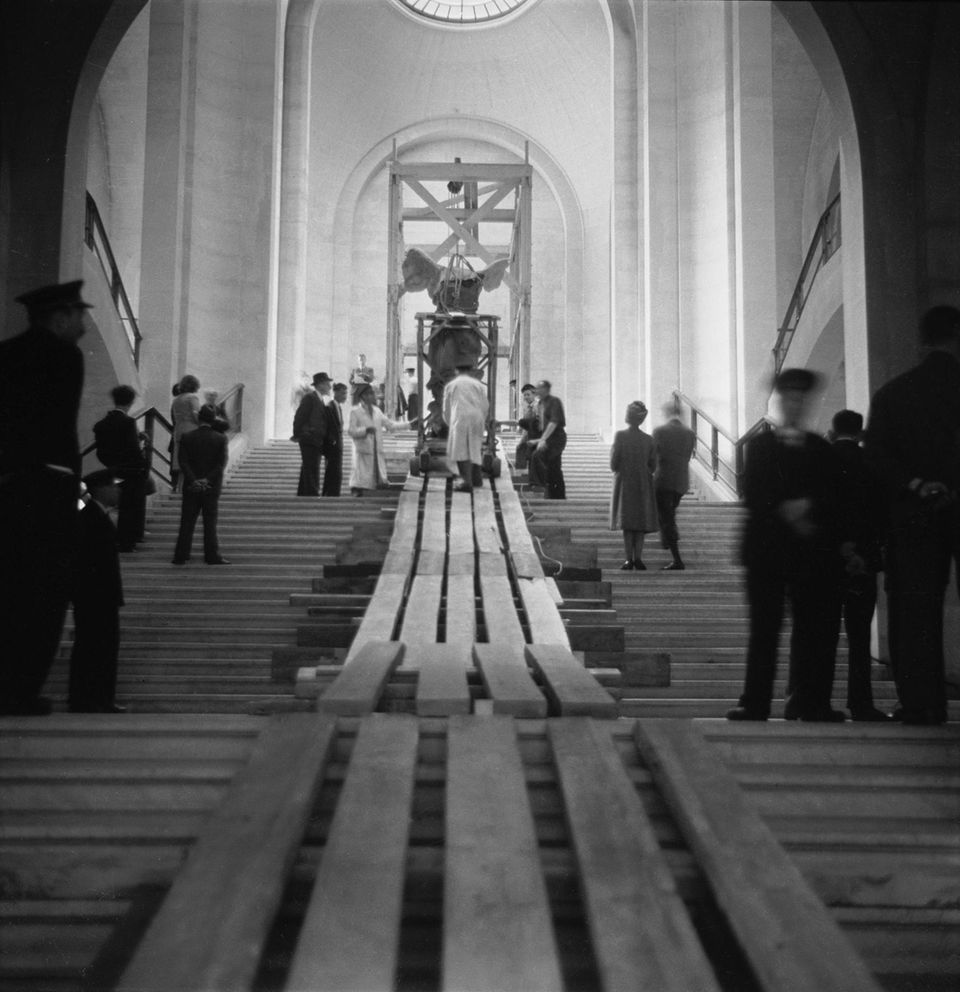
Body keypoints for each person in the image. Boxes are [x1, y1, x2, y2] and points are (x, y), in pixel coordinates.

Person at [727, 367, 845, 723]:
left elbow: (835, 497)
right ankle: (755, 703)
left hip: (810, 554)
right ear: (780, 402)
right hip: (767, 551)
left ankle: (810, 703)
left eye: (799, 399)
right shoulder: (759, 446)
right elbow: (753, 494)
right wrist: (794, 510)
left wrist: (806, 506)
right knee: (765, 629)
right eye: (788, 399)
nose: (794, 405)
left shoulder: (822, 449)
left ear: (806, 403)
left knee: (814, 631)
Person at [864, 305, 960, 726]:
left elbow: (877, 459)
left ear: (921, 341)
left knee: (915, 612)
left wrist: (919, 485)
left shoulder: (893, 393)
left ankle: (922, 704)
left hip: (913, 514)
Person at [0, 280, 90, 716]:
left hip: (8, 485)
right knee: (44, 591)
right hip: (49, 487)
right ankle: (21, 690)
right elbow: (61, 427)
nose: (84, 329)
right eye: (79, 317)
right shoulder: (63, 356)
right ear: (59, 318)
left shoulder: (5, 354)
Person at [828, 409, 890, 721]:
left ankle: (813, 699)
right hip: (863, 562)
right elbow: (881, 513)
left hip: (828, 560)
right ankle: (861, 702)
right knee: (859, 635)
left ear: (832, 430)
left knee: (822, 633)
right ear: (861, 432)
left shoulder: (823, 460)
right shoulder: (872, 463)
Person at [70, 470, 125, 713]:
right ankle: (92, 698)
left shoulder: (95, 515)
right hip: (95, 596)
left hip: (99, 595)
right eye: (114, 486)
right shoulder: (91, 517)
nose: (119, 490)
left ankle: (96, 698)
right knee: (96, 647)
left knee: (97, 647)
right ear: (102, 489)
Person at [172, 404, 230, 565]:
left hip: (191, 486)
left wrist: (193, 480)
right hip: (211, 487)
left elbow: (183, 462)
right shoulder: (220, 438)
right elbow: (220, 464)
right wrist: (207, 480)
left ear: (199, 418)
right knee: (210, 522)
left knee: (187, 521)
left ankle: (181, 555)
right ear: (213, 420)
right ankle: (211, 555)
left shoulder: (187, 437)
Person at [93, 385, 148, 552]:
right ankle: (129, 540)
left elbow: (101, 452)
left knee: (118, 505)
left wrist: (112, 466)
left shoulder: (101, 425)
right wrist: (142, 465)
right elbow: (132, 448)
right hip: (131, 471)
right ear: (130, 402)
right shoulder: (129, 422)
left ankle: (120, 539)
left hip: (113, 469)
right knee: (131, 506)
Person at [609, 401, 659, 570]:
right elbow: (653, 465)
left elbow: (613, 463)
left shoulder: (620, 436)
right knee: (639, 522)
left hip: (625, 482)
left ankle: (628, 559)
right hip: (643, 483)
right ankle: (638, 558)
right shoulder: (649, 439)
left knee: (628, 523)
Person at [348, 382, 414, 495]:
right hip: (363, 447)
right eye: (370, 394)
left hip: (376, 447)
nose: (373, 396)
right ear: (363, 396)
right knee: (361, 474)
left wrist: (409, 424)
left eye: (372, 393)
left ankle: (372, 492)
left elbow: (390, 425)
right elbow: (351, 431)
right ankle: (357, 490)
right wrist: (365, 430)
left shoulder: (377, 411)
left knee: (374, 475)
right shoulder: (355, 412)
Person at [653, 401, 697, 570]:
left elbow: (655, 455)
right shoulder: (690, 433)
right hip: (681, 482)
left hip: (663, 480)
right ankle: (666, 537)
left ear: (667, 413)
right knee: (669, 514)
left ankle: (677, 558)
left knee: (667, 518)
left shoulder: (659, 431)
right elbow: (687, 456)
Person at [443, 362, 489, 492]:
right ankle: (477, 478)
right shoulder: (478, 385)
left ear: (456, 370)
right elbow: (485, 405)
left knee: (460, 450)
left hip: (460, 417)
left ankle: (466, 482)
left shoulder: (452, 385)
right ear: (470, 371)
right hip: (476, 417)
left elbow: (446, 408)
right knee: (475, 447)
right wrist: (482, 419)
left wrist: (449, 423)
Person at [292, 371, 332, 496]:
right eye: (327, 384)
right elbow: (299, 417)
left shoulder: (318, 399)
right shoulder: (310, 398)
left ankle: (303, 494)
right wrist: (299, 434)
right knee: (312, 468)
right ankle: (312, 495)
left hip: (315, 439)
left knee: (308, 467)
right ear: (319, 385)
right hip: (309, 439)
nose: (329, 387)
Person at [531, 379, 567, 499]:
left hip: (557, 438)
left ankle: (538, 484)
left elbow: (554, 422)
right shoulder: (540, 403)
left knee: (537, 455)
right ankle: (558, 496)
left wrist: (542, 440)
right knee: (554, 467)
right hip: (549, 438)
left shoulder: (554, 401)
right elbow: (542, 425)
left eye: (539, 388)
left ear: (546, 389)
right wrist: (539, 439)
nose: (537, 391)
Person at [170, 374, 201, 491]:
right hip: (191, 431)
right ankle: (193, 487)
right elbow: (196, 414)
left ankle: (179, 488)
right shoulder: (192, 398)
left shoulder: (176, 399)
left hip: (178, 431)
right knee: (192, 461)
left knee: (181, 461)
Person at [323, 382, 348, 497]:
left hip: (338, 445)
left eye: (346, 394)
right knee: (332, 471)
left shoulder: (337, 407)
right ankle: (330, 494)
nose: (345, 396)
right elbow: (327, 426)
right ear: (336, 393)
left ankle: (334, 493)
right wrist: (331, 441)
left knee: (336, 471)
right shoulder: (329, 407)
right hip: (332, 445)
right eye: (343, 393)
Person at [514, 383, 543, 480]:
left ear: (534, 394)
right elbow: (526, 427)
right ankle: (532, 480)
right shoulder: (527, 408)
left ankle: (537, 482)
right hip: (531, 435)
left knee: (536, 459)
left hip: (539, 435)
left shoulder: (539, 405)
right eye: (524, 395)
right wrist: (522, 440)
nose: (526, 397)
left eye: (528, 394)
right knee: (528, 456)